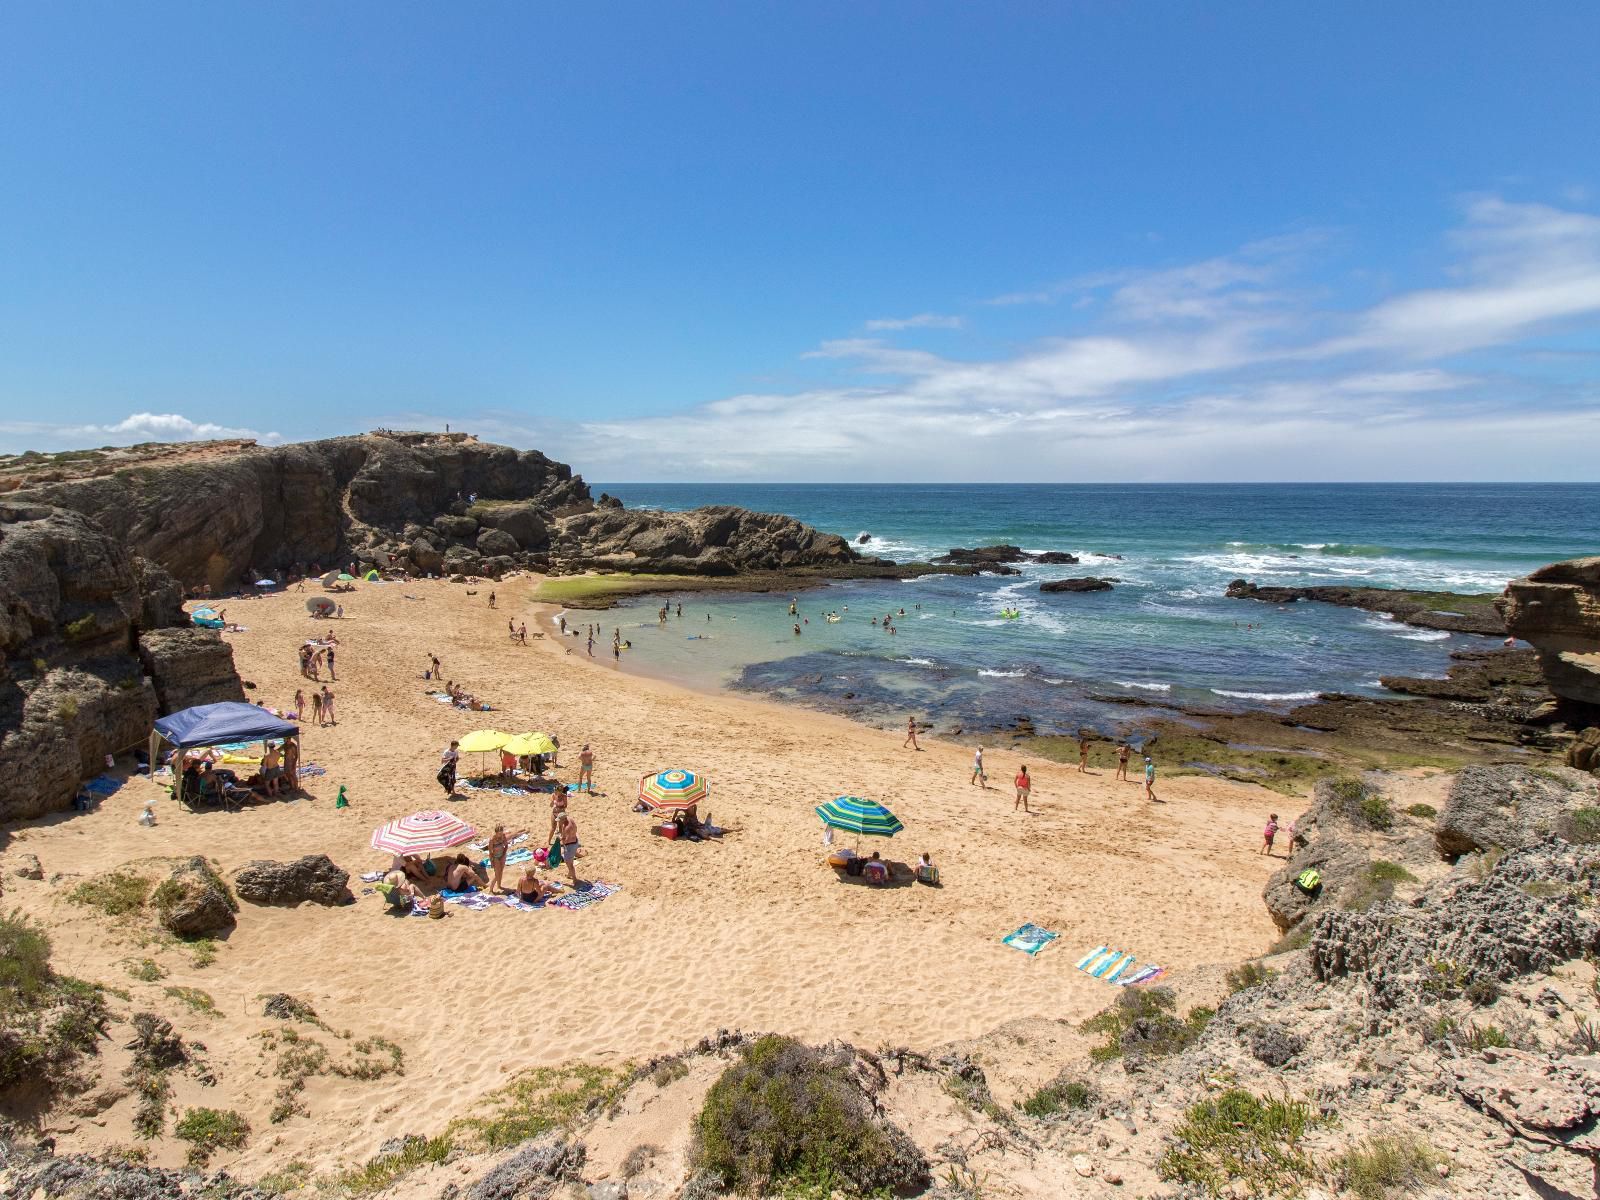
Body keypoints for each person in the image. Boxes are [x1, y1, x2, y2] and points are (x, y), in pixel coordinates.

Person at [486, 824, 527, 893]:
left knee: (501, 871)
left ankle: (499, 885)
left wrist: (504, 854)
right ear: (496, 833)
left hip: (502, 855)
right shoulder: (492, 840)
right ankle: (491, 889)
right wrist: (492, 862)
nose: (500, 835)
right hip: (495, 857)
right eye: (499, 833)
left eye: (501, 833)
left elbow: (506, 846)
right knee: (497, 874)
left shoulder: (503, 836)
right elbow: (490, 852)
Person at [554, 810, 581, 887]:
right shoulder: (570, 820)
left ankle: (574, 879)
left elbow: (566, 841)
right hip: (575, 841)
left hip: (570, 845)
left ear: (563, 819)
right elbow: (575, 828)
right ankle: (570, 874)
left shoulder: (567, 828)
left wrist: (560, 838)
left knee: (569, 863)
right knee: (570, 861)